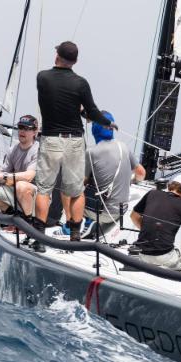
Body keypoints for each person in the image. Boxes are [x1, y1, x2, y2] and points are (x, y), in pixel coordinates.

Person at [30, 41, 117, 251]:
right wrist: (108, 123)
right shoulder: (81, 83)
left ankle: (39, 239)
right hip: (74, 141)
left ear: (56, 56)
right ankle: (75, 238)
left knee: (43, 190)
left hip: (51, 139)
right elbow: (92, 113)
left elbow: (54, 100)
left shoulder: (42, 77)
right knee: (76, 191)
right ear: (76, 61)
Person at [84, 110, 146, 228]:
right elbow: (141, 173)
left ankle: (71, 227)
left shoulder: (91, 152)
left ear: (95, 128)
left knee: (70, 193)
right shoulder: (123, 147)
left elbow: (82, 182)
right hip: (121, 211)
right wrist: (131, 181)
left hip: (102, 213)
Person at [0, 114, 40, 218]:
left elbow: (29, 176)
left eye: (27, 129)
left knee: (21, 186)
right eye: (20, 127)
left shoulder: (38, 150)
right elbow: (4, 173)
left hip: (37, 195)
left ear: (35, 132)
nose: (22, 131)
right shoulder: (13, 150)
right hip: (16, 190)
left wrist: (5, 177)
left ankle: (28, 222)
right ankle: (11, 213)